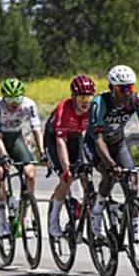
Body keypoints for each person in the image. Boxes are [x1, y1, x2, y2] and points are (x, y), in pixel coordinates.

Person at [85, 65, 139, 237]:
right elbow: (98, 139)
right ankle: (97, 210)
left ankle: (134, 237)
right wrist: (111, 164)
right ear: (112, 88)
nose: (127, 92)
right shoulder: (99, 103)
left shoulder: (136, 99)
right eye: (123, 88)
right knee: (109, 175)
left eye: (130, 87)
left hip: (118, 142)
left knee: (132, 186)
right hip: (96, 144)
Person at [0, 78, 45, 238]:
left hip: (15, 138)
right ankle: (3, 221)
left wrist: (42, 151)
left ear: (23, 96)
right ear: (3, 97)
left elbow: (36, 130)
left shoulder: (29, 105)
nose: (14, 103)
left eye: (17, 99)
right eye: (10, 99)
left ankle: (24, 214)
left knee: (30, 173)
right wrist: (4, 156)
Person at [44, 75, 97, 236]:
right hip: (55, 140)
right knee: (66, 179)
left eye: (88, 96)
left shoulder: (93, 109)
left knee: (85, 175)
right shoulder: (64, 109)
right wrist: (67, 168)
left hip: (75, 138)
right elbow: (60, 142)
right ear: (73, 97)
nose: (85, 101)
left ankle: (85, 211)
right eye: (82, 97)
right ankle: (53, 221)